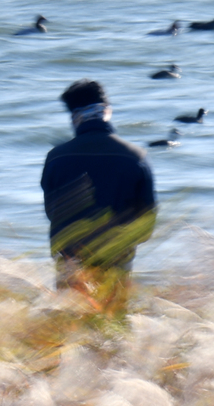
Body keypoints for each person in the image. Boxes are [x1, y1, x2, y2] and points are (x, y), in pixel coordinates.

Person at [41, 80, 156, 309]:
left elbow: (52, 212)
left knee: (69, 328)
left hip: (70, 260)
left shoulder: (56, 157)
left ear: (74, 117)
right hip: (116, 258)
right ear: (107, 111)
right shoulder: (135, 156)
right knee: (113, 327)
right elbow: (147, 223)